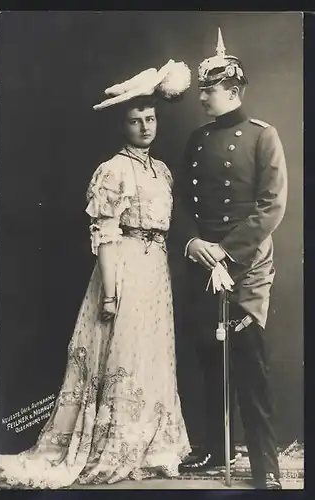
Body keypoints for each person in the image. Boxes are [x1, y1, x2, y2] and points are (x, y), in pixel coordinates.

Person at [0, 60, 192, 488]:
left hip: (155, 269)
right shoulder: (113, 170)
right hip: (121, 266)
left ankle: (151, 446)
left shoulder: (161, 171)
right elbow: (104, 233)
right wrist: (109, 291)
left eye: (150, 118)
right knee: (119, 353)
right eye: (135, 120)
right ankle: (113, 443)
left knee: (150, 355)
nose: (144, 126)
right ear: (121, 126)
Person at [175, 29, 288, 490]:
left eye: (210, 90)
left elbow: (271, 206)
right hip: (203, 262)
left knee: (250, 366)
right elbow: (178, 199)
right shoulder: (198, 140)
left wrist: (227, 250)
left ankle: (265, 465)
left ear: (234, 91)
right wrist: (192, 242)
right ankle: (212, 450)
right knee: (208, 360)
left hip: (245, 265)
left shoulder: (264, 137)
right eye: (201, 88)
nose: (202, 97)